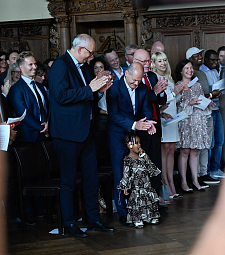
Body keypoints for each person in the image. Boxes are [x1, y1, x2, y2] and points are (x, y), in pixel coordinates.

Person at [48, 34, 115, 238]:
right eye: (90, 52)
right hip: (67, 133)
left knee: (91, 178)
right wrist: (90, 89)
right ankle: (68, 224)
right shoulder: (60, 65)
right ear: (79, 49)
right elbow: (60, 96)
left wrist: (100, 91)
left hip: (86, 131)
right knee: (68, 181)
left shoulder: (83, 66)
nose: (91, 57)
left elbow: (87, 94)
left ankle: (93, 219)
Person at [107, 62, 157, 226]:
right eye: (134, 80)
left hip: (134, 136)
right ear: (126, 73)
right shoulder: (114, 88)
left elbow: (146, 109)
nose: (136, 84)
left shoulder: (142, 88)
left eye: (139, 80)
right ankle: (123, 213)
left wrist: (148, 122)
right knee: (121, 175)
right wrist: (135, 124)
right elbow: (113, 115)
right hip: (117, 135)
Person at [133, 49, 168, 202]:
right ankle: (146, 200)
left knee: (156, 164)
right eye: (144, 61)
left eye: (148, 61)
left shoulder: (152, 76)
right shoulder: (134, 77)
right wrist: (154, 92)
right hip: (141, 128)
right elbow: (138, 101)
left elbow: (160, 100)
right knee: (144, 164)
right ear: (134, 61)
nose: (147, 64)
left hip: (156, 126)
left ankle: (155, 197)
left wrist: (160, 93)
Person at [175, 59, 211, 192]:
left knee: (195, 151)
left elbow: (202, 100)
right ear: (181, 71)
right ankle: (184, 182)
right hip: (185, 121)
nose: (190, 70)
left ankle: (195, 180)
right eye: (186, 68)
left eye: (191, 68)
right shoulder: (178, 85)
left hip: (197, 121)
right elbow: (175, 105)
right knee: (185, 151)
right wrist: (189, 103)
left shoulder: (197, 85)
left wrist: (207, 102)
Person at [186, 47, 219, 185]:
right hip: (195, 116)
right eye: (196, 55)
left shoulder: (201, 73)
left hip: (207, 112)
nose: (199, 56)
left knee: (206, 144)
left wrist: (210, 96)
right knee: (197, 146)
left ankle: (204, 172)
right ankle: (197, 175)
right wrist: (211, 95)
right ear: (189, 59)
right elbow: (190, 97)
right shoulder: (188, 75)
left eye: (200, 54)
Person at [151, 51, 182, 198]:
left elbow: (173, 100)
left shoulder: (169, 78)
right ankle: (165, 184)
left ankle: (171, 182)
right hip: (162, 117)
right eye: (159, 61)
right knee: (164, 151)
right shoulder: (154, 78)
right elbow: (157, 100)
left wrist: (178, 93)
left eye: (164, 60)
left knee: (171, 151)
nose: (163, 63)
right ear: (154, 63)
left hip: (173, 117)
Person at [117, 134, 161, 228]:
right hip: (137, 188)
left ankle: (150, 217)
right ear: (130, 145)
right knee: (138, 203)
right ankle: (138, 219)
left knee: (149, 201)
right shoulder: (128, 160)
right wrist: (125, 187)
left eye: (139, 142)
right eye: (136, 143)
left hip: (146, 186)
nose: (139, 145)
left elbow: (152, 168)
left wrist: (145, 156)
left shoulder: (142, 158)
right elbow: (126, 174)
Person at [8, 51, 49, 143]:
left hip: (46, 135)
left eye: (35, 64)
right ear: (21, 67)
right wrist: (43, 128)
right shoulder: (16, 89)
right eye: (30, 64)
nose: (35, 67)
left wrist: (48, 124)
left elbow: (47, 108)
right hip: (29, 137)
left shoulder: (40, 87)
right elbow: (23, 114)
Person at [200, 50, 224, 180]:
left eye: (216, 60)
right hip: (207, 110)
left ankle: (216, 168)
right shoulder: (201, 72)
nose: (215, 62)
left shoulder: (215, 71)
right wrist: (211, 93)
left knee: (220, 140)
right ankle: (207, 170)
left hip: (216, 108)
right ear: (205, 59)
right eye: (212, 60)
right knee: (210, 142)